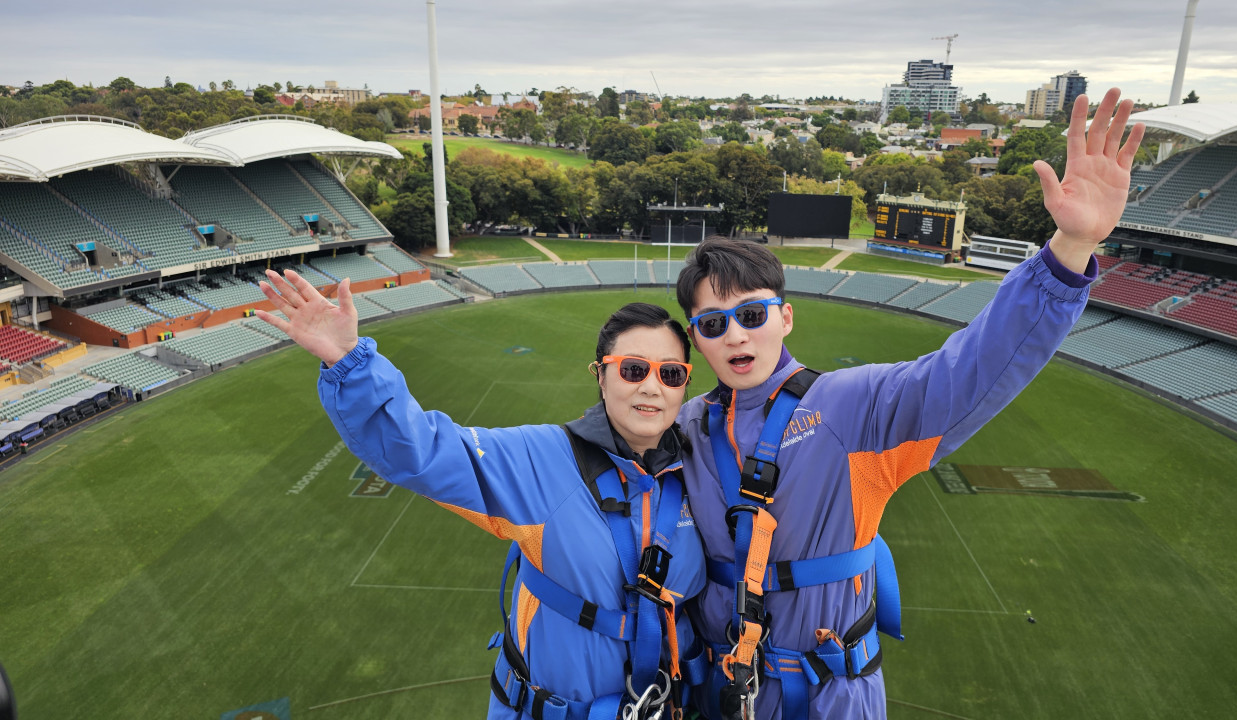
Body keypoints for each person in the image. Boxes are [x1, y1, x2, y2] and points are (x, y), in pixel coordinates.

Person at [673, 89, 1146, 720]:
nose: (735, 335)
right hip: (719, 696)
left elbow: (971, 369)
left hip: (825, 699)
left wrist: (1068, 252)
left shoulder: (852, 407)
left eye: (751, 314)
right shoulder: (688, 428)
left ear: (785, 318)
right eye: (712, 324)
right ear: (695, 341)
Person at [255, 276, 707, 720]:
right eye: (633, 369)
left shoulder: (700, 471)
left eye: (670, 373)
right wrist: (350, 363)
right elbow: (424, 449)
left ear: (684, 385)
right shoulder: (543, 460)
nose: (652, 387)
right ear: (601, 376)